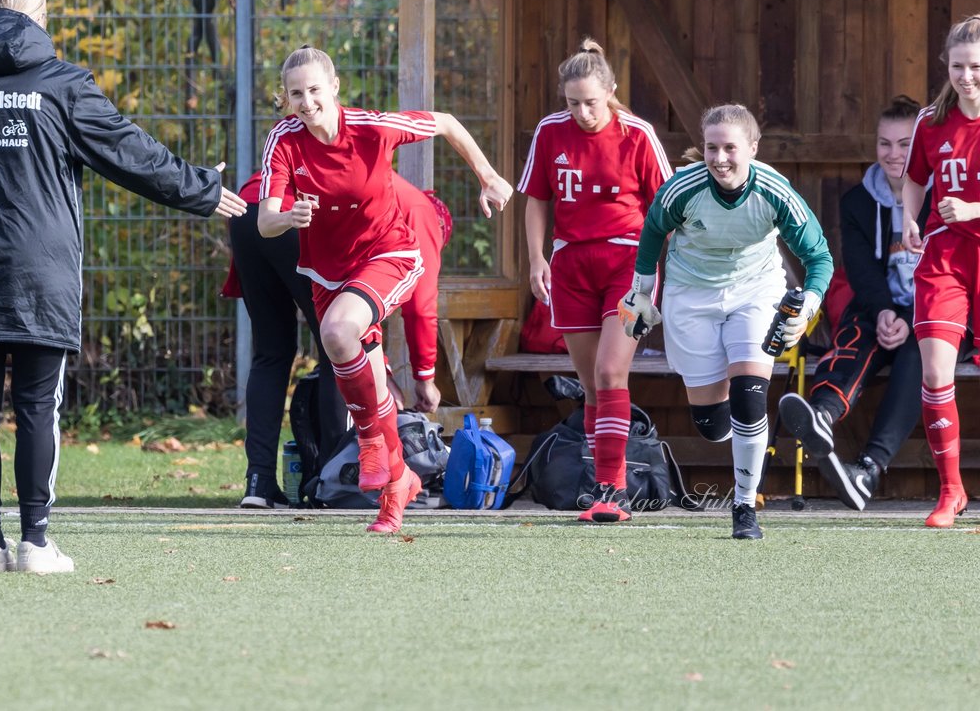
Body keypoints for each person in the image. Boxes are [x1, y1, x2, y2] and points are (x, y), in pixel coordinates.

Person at [0, 0, 246, 572]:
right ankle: (35, 541)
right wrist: (203, 189)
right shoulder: (63, 84)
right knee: (35, 404)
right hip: (39, 273)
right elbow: (132, 154)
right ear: (41, 19)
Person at [258, 45, 511, 533]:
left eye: (314, 90)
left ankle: (373, 445)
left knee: (336, 332)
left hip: (389, 253)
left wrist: (488, 176)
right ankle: (397, 487)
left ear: (333, 87)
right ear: (286, 100)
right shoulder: (284, 141)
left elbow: (448, 123)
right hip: (327, 272)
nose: (306, 102)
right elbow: (266, 220)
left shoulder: (373, 127)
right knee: (374, 389)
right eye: (296, 94)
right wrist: (288, 216)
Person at [620, 104, 833, 540]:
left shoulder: (775, 191)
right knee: (713, 425)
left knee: (750, 397)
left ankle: (744, 507)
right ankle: (732, 436)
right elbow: (652, 234)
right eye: (712, 148)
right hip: (690, 295)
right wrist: (641, 293)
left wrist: (807, 309)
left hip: (755, 292)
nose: (720, 159)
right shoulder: (682, 189)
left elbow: (819, 258)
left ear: (752, 148)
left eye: (730, 148)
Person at [517, 38, 672, 523]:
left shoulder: (638, 134)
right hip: (571, 269)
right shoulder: (549, 132)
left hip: (632, 270)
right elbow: (537, 199)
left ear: (611, 91)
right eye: (572, 102)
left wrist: (669, 270)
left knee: (610, 372)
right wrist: (536, 259)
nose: (582, 112)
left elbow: (667, 205)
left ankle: (614, 489)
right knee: (590, 383)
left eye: (591, 101)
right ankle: (597, 485)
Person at [778, 95, 928, 510]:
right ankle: (822, 415)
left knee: (921, 349)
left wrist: (911, 318)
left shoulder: (940, 197)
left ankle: (868, 468)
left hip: (935, 310)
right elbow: (861, 270)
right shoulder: (858, 202)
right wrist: (884, 310)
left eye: (905, 143)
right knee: (859, 331)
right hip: (881, 306)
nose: (894, 154)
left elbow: (951, 268)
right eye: (885, 143)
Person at [223, 169, 347, 508]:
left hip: (246, 212)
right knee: (336, 351)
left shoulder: (287, 134)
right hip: (292, 215)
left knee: (271, 353)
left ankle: (258, 482)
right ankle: (333, 481)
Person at [902, 14, 980, 528]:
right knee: (935, 373)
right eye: (958, 66)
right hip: (944, 258)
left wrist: (975, 211)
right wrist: (910, 218)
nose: (967, 76)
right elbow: (914, 179)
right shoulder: (930, 121)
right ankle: (950, 490)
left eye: (976, 66)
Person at [385, 173, 452, 414]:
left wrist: (381, 372)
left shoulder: (398, 202)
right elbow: (420, 308)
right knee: (340, 362)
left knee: (272, 357)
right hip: (296, 218)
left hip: (266, 205)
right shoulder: (424, 215)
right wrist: (425, 378)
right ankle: (335, 451)